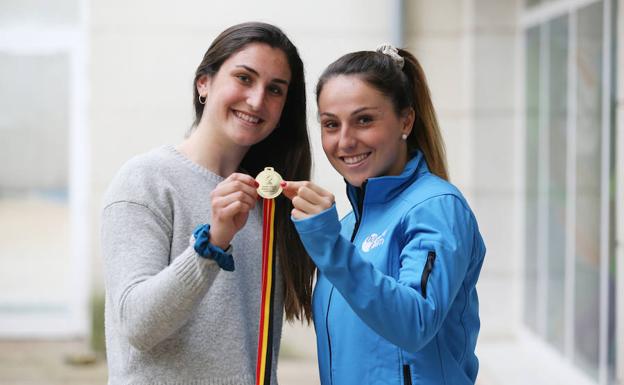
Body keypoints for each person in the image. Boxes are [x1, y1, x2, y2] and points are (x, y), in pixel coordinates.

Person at [101, 22, 315, 385]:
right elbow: (136, 325)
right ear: (204, 82)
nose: (257, 99)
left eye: (275, 89)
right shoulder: (146, 180)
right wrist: (211, 245)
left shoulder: (273, 199)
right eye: (244, 78)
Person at [282, 44, 486, 385]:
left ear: (405, 120)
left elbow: (415, 322)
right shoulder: (347, 226)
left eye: (364, 120)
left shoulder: (435, 207)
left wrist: (329, 246)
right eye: (331, 125)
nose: (345, 141)